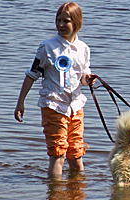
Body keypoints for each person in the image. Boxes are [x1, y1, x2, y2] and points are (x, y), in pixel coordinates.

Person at [14, 2, 95, 178]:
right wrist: (20, 102)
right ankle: (55, 193)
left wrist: (88, 80)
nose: (60, 25)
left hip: (75, 107)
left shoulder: (84, 49)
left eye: (65, 21)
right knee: (58, 154)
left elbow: (83, 76)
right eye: (58, 20)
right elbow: (32, 74)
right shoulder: (47, 47)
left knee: (76, 154)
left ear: (77, 22)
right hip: (53, 106)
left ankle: (78, 192)